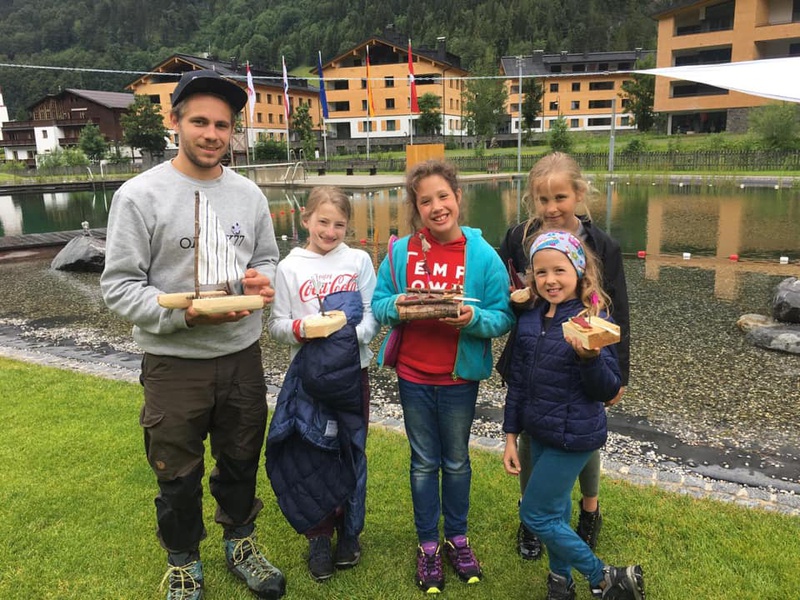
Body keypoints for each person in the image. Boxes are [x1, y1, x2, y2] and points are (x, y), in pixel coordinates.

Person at [101, 70, 285, 600]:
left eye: (223, 125)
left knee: (241, 457)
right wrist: (185, 317)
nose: (212, 133)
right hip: (173, 362)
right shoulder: (140, 196)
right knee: (175, 472)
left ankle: (241, 543)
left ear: (233, 132)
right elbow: (119, 288)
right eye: (200, 121)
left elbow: (266, 258)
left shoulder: (249, 195)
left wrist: (259, 280)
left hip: (241, 355)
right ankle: (183, 561)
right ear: (174, 121)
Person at [372, 160, 515, 594]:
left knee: (456, 462)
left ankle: (458, 538)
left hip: (458, 381)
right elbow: (378, 305)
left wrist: (473, 319)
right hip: (413, 377)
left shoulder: (483, 255)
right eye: (426, 201)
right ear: (416, 209)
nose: (437, 207)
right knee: (422, 463)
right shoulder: (401, 253)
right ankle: (428, 546)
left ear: (458, 198)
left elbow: (503, 314)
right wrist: (398, 304)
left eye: (443, 197)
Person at [498, 152, 630, 560]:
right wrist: (518, 301)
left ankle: (589, 510)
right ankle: (530, 516)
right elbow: (516, 294)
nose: (552, 208)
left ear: (579, 194)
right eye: (543, 200)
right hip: (535, 354)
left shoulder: (603, 245)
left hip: (584, 357)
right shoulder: (517, 238)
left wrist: (620, 374)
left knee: (583, 435)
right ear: (532, 201)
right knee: (534, 434)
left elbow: (618, 309)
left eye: (560, 197)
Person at [503, 230, 645, 600]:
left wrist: (589, 357)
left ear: (579, 271)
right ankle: (560, 583)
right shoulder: (530, 317)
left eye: (559, 271)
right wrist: (510, 437)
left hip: (575, 436)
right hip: (539, 432)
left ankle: (606, 577)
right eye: (541, 272)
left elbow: (607, 389)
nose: (550, 280)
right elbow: (517, 381)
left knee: (535, 515)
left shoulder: (593, 318)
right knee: (555, 513)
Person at [266, 186, 379, 582]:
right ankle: (318, 536)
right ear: (306, 220)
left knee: (351, 451)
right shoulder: (290, 266)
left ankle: (350, 532)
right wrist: (302, 328)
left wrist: (348, 337)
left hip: (353, 375)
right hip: (308, 379)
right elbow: (277, 325)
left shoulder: (359, 260)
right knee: (312, 453)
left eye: (339, 225)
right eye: (323, 222)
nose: (330, 231)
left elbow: (370, 315)